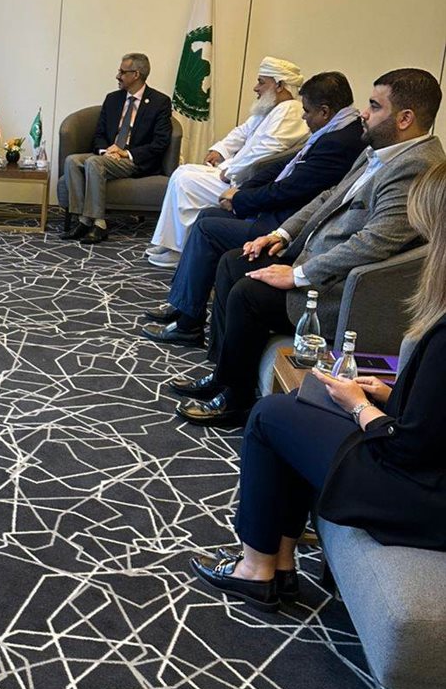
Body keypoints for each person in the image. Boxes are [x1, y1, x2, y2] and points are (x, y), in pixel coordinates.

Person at [190, 157, 446, 612]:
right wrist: (390, 395)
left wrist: (360, 406)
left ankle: (257, 569)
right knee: (300, 407)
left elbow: (408, 449)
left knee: (270, 417)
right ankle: (280, 564)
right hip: (427, 475)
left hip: (421, 496)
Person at [171, 68, 444, 426]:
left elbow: (373, 243)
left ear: (405, 118)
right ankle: (224, 377)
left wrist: (298, 274)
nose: (364, 113)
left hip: (343, 287)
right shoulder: (381, 150)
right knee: (235, 262)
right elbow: (330, 197)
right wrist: (281, 234)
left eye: (375, 106)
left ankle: (235, 400)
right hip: (316, 258)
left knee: (248, 295)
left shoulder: (416, 167)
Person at [142, 71, 363, 345]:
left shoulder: (340, 142)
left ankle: (188, 325)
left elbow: (290, 189)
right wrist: (242, 192)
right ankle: (184, 305)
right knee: (208, 215)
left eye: (307, 111)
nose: (303, 116)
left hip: (286, 227)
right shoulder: (336, 129)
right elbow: (283, 165)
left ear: (325, 111)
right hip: (280, 214)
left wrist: (240, 200)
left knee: (208, 229)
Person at [147, 56, 308, 268]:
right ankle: (169, 243)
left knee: (185, 181)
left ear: (279, 85)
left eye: (261, 82)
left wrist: (230, 170)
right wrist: (220, 150)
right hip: (235, 171)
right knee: (183, 171)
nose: (256, 88)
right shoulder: (272, 107)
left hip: (246, 181)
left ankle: (179, 249)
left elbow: (265, 154)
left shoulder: (290, 110)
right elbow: (242, 132)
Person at [59, 53, 172, 245]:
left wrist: (125, 153)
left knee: (94, 163)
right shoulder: (112, 99)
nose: (117, 76)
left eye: (122, 72)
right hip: (108, 155)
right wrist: (106, 152)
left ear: (136, 74)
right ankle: (83, 220)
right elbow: (99, 134)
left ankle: (99, 224)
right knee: (72, 161)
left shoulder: (159, 102)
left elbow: (160, 142)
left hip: (133, 160)